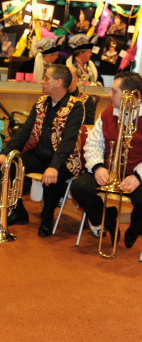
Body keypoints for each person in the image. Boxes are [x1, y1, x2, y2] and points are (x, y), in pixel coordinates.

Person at [0, 64, 84, 237]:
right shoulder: (41, 102)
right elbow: (25, 131)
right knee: (9, 165)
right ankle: (19, 210)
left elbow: (68, 142)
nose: (42, 81)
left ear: (59, 82)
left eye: (46, 78)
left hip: (64, 160)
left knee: (53, 179)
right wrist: (6, 153)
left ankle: (47, 219)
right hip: (40, 155)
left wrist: (54, 166)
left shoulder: (75, 106)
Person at [70, 72, 142, 249]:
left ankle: (135, 229)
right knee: (79, 187)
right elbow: (93, 144)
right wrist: (98, 167)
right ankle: (106, 217)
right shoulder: (108, 113)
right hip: (110, 170)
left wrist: (138, 176)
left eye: (114, 91)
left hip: (136, 173)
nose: (109, 95)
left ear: (130, 94)